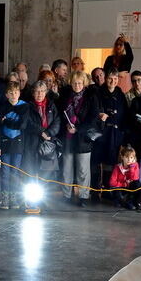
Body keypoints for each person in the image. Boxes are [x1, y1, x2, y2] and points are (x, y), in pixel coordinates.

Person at [60, 71, 100, 207]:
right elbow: (61, 114)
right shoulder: (65, 96)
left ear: (84, 84)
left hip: (83, 138)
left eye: (79, 83)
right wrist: (66, 125)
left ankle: (83, 196)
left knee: (83, 170)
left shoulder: (91, 97)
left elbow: (93, 118)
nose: (77, 85)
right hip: (68, 137)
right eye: (74, 83)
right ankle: (66, 195)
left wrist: (78, 129)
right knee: (66, 168)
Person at [91, 68, 127, 198]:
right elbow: (93, 111)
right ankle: (94, 190)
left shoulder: (121, 95)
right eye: (110, 78)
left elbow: (124, 115)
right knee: (96, 162)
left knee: (110, 163)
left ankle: (107, 190)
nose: (113, 81)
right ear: (106, 79)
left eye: (115, 79)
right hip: (100, 133)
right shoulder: (98, 94)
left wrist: (122, 133)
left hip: (114, 134)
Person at [24, 80, 61, 198]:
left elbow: (57, 121)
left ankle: (43, 199)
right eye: (37, 91)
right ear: (33, 93)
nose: (39, 94)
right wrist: (41, 131)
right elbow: (27, 123)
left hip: (47, 143)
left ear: (46, 92)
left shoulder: (51, 105)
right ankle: (31, 199)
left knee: (45, 174)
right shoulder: (28, 106)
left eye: (42, 91)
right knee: (31, 172)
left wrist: (49, 132)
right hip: (32, 142)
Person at [0, 83, 29, 210]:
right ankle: (5, 198)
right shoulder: (2, 107)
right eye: (10, 93)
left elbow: (22, 125)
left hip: (18, 141)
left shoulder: (24, 106)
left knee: (15, 171)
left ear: (19, 93)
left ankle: (14, 197)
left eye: (16, 92)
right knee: (5, 171)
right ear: (6, 95)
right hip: (5, 141)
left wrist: (7, 121)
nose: (13, 95)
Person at [109, 146, 141, 210]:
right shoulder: (117, 167)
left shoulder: (135, 166)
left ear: (134, 158)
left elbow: (135, 178)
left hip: (129, 189)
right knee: (117, 194)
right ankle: (122, 201)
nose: (129, 159)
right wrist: (123, 184)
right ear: (122, 157)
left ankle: (131, 201)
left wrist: (131, 168)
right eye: (127, 157)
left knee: (137, 184)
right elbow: (112, 182)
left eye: (131, 157)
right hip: (120, 188)